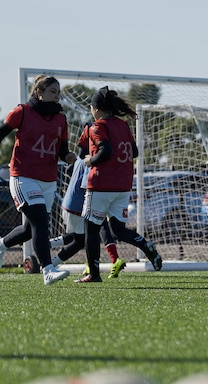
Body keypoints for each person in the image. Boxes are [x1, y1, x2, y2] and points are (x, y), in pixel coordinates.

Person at [0, 75, 76, 285]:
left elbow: (62, 150)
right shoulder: (23, 111)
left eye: (58, 92)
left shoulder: (61, 119)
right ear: (39, 92)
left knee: (30, 228)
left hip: (48, 179)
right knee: (41, 223)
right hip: (23, 176)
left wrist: (68, 157)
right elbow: (1, 131)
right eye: (53, 91)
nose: (57, 95)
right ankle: (48, 270)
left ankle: (2, 244)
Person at [75, 86, 164, 283]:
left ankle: (94, 274)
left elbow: (104, 151)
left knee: (91, 228)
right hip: (122, 186)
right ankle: (144, 244)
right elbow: (134, 152)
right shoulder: (123, 126)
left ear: (96, 109)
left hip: (101, 184)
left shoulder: (98, 126)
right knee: (118, 230)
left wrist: (91, 161)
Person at [48, 123, 126, 278]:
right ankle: (50, 263)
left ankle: (49, 250)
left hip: (71, 205)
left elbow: (73, 172)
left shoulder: (83, 159)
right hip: (78, 206)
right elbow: (87, 187)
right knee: (83, 239)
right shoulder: (92, 162)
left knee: (83, 235)